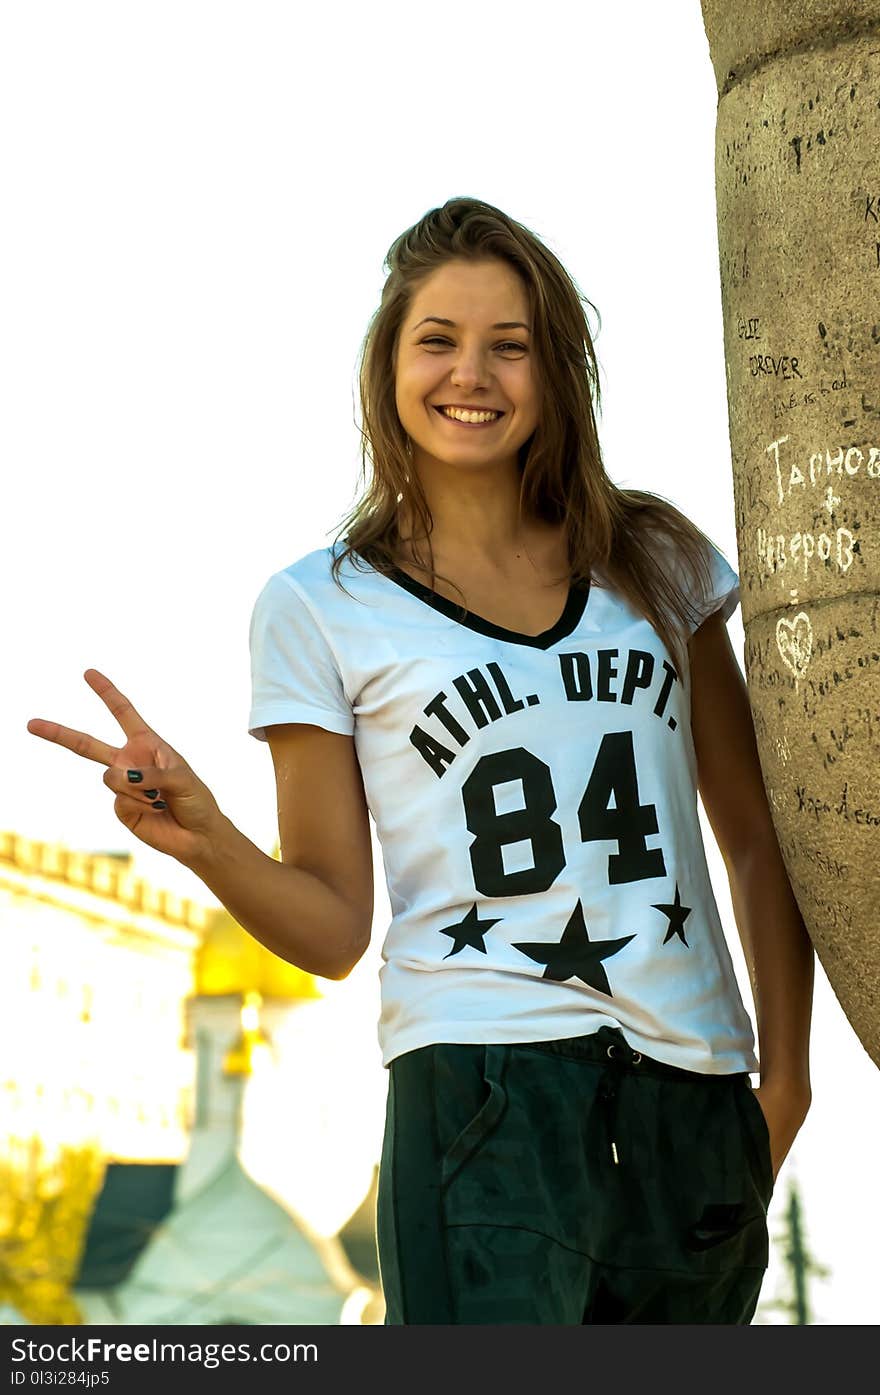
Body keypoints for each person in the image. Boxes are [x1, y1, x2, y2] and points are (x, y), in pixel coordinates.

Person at [27, 197, 814, 1325]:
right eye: (437, 339)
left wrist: (780, 1080)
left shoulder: (655, 559)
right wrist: (208, 841)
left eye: (511, 343)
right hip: (482, 1096)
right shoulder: (320, 605)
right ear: (387, 363)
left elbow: (750, 833)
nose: (471, 373)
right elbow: (335, 927)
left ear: (557, 370)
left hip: (692, 1105)